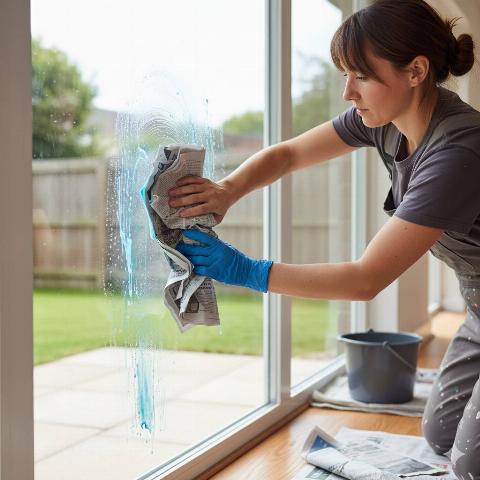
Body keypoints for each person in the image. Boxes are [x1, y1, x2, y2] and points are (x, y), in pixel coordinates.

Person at [168, 0, 479, 477]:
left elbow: (365, 279)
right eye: (344, 75)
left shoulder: (457, 152)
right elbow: (289, 154)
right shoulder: (387, 122)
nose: (347, 93)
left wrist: (247, 272)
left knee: (469, 465)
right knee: (438, 435)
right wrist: (228, 190)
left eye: (360, 76)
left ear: (416, 71)